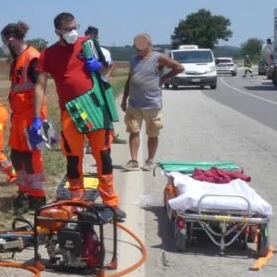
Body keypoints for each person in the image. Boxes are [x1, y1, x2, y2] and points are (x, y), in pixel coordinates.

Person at [34, 12, 126, 219]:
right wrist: (37, 116)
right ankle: (77, 201)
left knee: (103, 156)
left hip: (95, 107)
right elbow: (40, 86)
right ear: (58, 31)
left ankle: (111, 202)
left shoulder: (89, 44)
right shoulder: (48, 54)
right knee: (73, 158)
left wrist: (98, 67)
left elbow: (107, 68)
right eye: (68, 29)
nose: (73, 32)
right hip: (71, 111)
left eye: (76, 27)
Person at [1, 21, 48, 213]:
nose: (3, 46)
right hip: (20, 115)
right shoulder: (18, 59)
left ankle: (37, 196)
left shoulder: (33, 57)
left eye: (4, 42)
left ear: (11, 40)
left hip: (32, 114)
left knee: (31, 156)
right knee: (18, 155)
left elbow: (40, 88)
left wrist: (38, 119)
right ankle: (24, 190)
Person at [120, 33, 184, 170]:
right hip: (134, 104)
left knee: (152, 134)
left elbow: (179, 67)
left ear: (149, 45)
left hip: (152, 104)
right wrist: (124, 98)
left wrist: (164, 78)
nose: (137, 50)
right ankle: (133, 160)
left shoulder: (158, 58)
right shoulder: (133, 60)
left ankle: (150, 160)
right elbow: (129, 79)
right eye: (136, 46)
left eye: (140, 47)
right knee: (133, 131)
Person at [85, 25, 126, 144]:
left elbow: (110, 66)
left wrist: (105, 75)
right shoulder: (82, 51)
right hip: (88, 86)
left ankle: (111, 136)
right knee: (91, 113)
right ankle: (91, 141)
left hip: (101, 85)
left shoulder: (103, 52)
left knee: (106, 111)